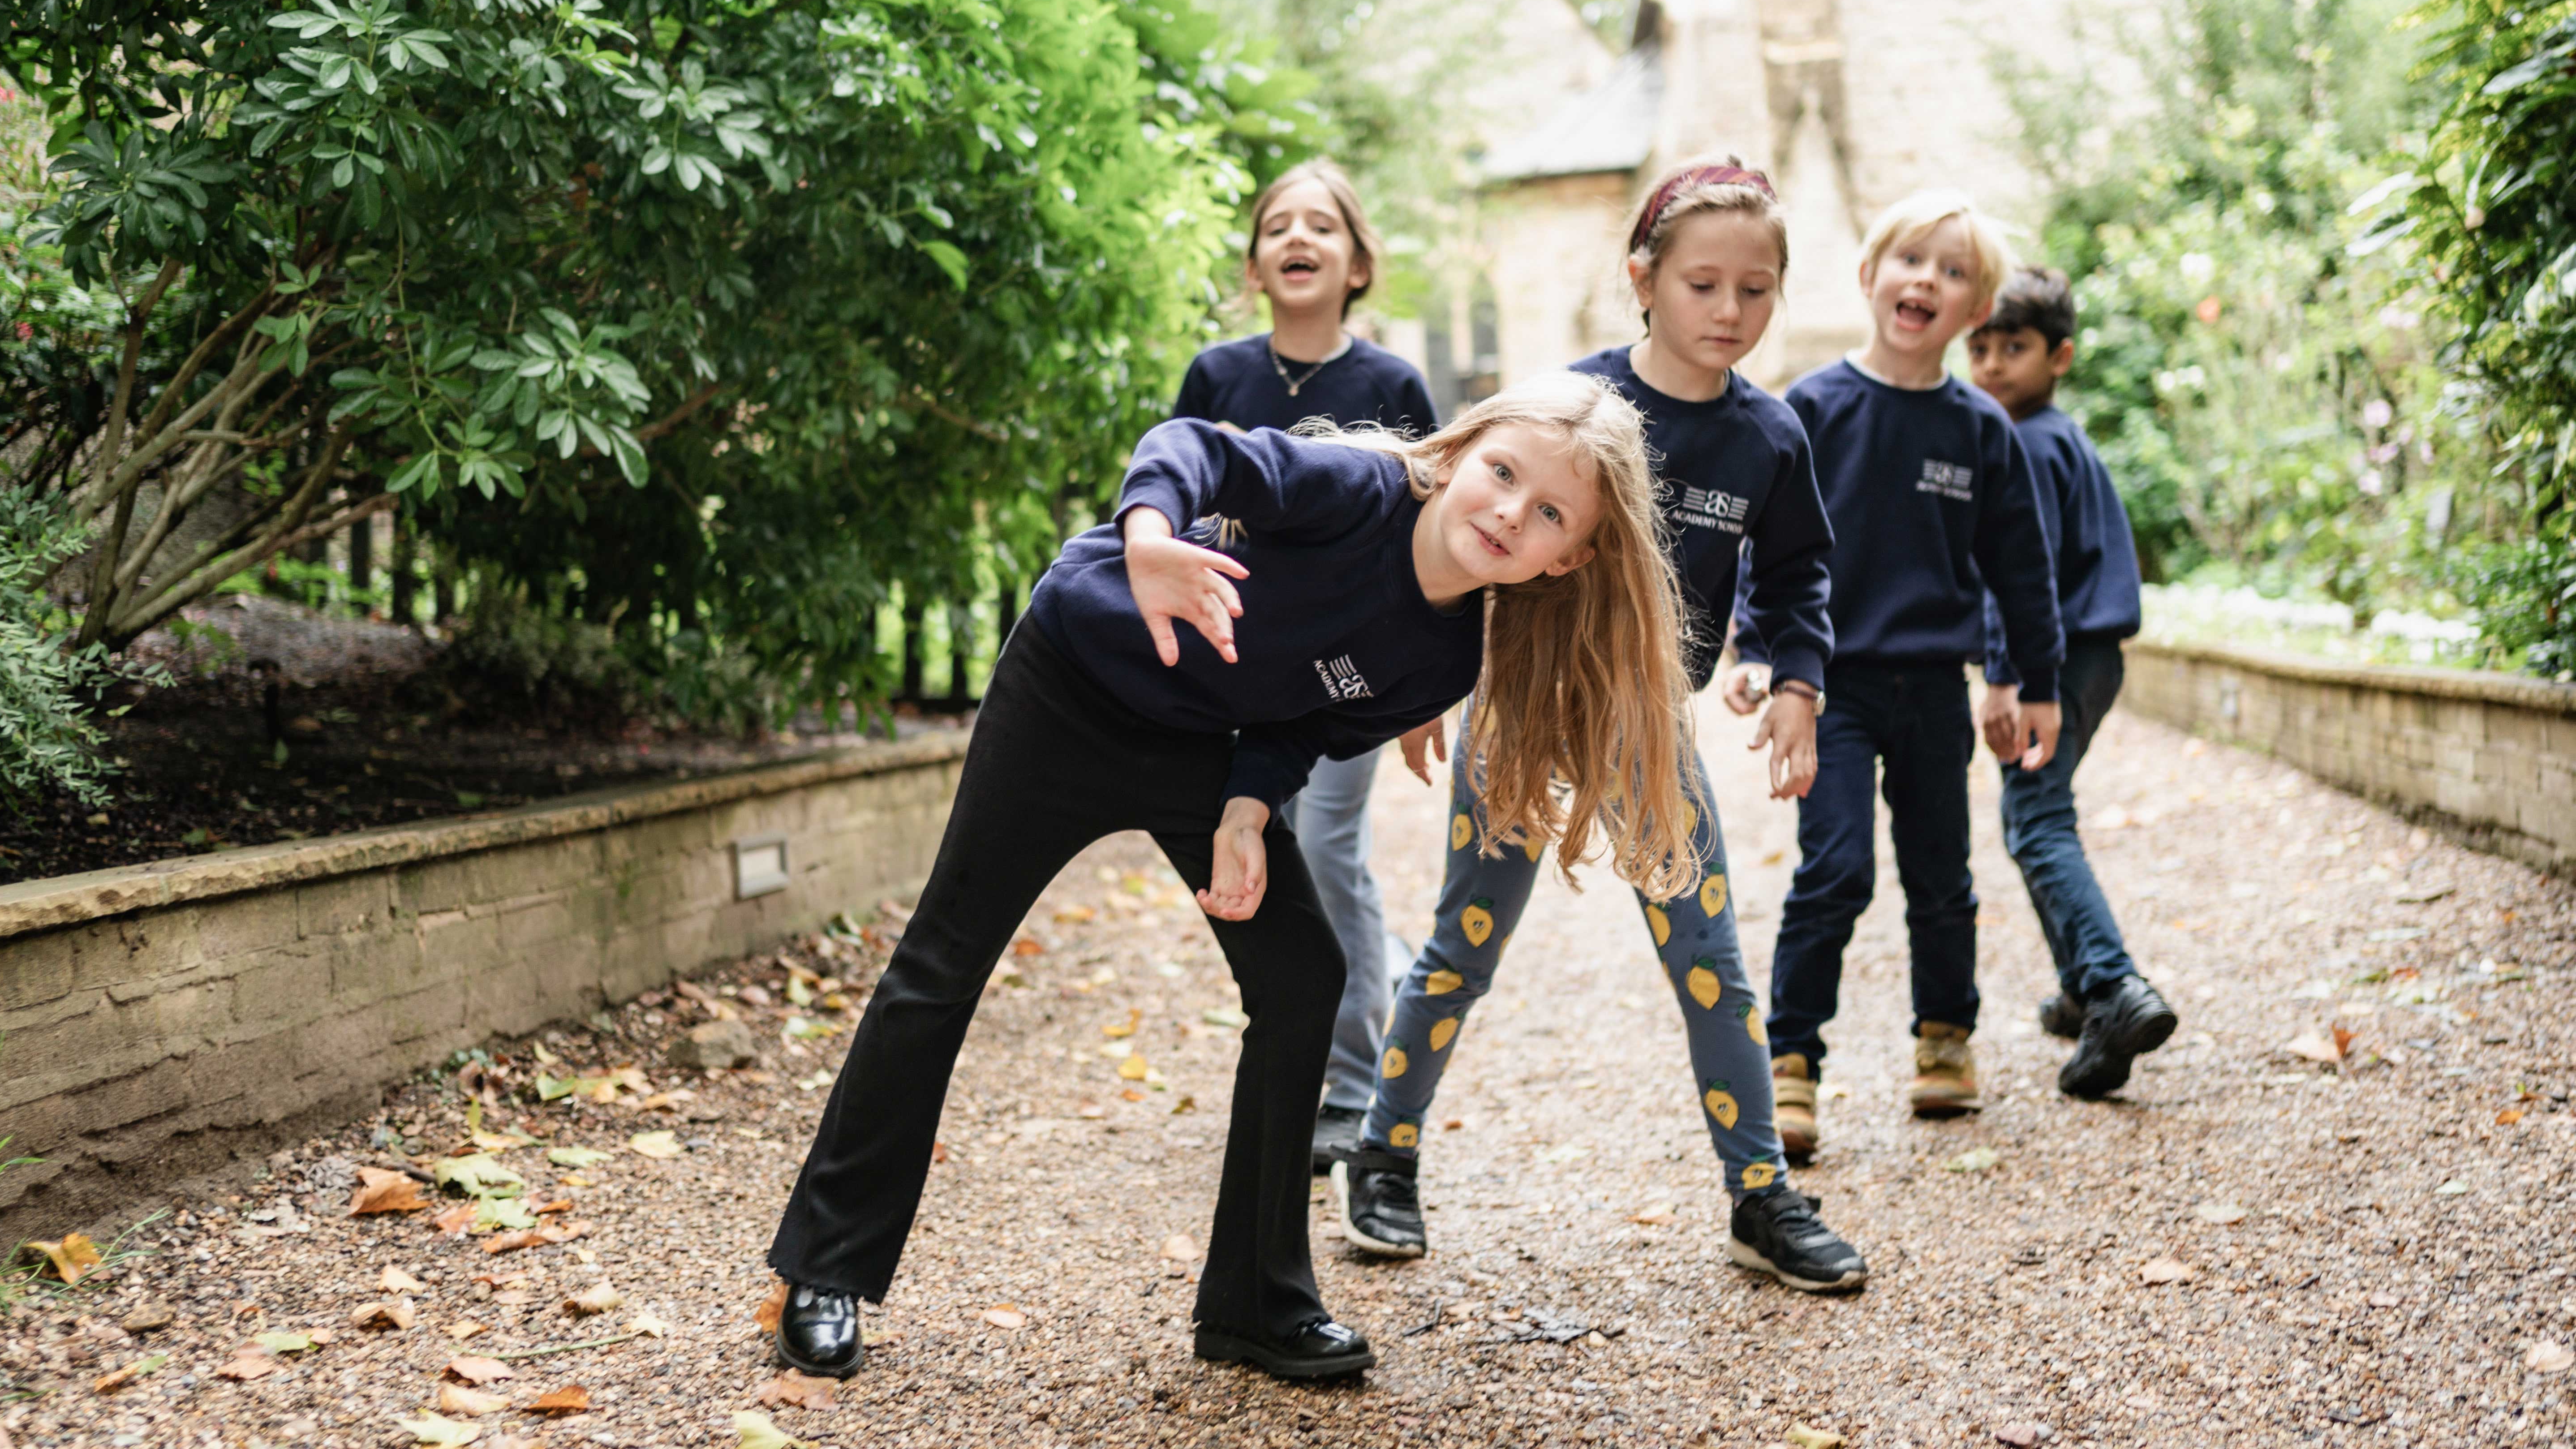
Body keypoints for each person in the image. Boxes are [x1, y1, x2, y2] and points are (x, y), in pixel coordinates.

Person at [766, 373, 1698, 1385]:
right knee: (943, 960)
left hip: (1197, 745)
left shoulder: (1443, 662)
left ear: (1571, 559)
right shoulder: (1357, 492)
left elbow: (1304, 723)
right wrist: (1150, 543)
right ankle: (824, 1269)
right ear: (1457, 453)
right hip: (1071, 683)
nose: (1512, 511)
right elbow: (1194, 446)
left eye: (1551, 512)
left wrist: (1248, 809)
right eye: (1504, 472)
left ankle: (1258, 1301)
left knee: (1304, 976)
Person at [1333, 160, 1870, 1294]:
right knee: (1464, 944)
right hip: (1521, 706)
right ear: (1644, 278)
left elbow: (1799, 573)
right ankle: (1383, 1153)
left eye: (1756, 289)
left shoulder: (1771, 437)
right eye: (1703, 284)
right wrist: (1424, 680)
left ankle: (1761, 1195)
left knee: (1712, 964)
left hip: (1647, 726)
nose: (1729, 310)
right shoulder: (1568, 403)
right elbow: (1463, 538)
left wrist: (1797, 679)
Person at [1728, 189, 2064, 1157]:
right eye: (1911, 260)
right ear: (1871, 276)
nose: (1927, 281)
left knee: (1941, 876)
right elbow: (1768, 542)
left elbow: (2021, 567)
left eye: (1953, 273)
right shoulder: (1813, 408)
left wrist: (2031, 681)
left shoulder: (1981, 429)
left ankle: (1946, 1039)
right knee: (1835, 869)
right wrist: (1757, 648)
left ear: (1974, 311)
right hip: (1827, 687)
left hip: (1933, 692)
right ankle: (1791, 1061)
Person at [1170, 159, 1438, 1174]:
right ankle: (1294, 1048)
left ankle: (1354, 1081)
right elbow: (1183, 499)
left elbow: (1427, 533)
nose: (1298, 236)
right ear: (1254, 266)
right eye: (1278, 224)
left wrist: (1426, 684)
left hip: (1347, 665)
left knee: (1329, 847)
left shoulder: (1393, 387)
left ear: (1357, 264)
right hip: (1238, 659)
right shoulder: (1216, 375)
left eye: (1322, 225)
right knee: (1260, 849)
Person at [1965, 266, 2178, 1096]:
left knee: (2037, 816)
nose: (1992, 365)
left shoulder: (2023, 444)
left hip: (2054, 659)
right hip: (2089, 655)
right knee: (2032, 813)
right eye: (1980, 348)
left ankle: (2112, 987)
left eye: (2013, 348)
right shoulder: (2056, 435)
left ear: (2060, 356)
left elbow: (2022, 578)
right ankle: (2084, 989)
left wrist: (2008, 678)